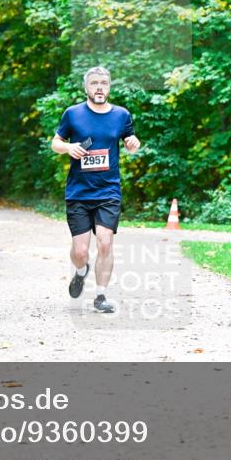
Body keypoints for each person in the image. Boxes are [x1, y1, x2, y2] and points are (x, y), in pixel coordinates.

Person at [51, 66, 140, 313]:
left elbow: (130, 140)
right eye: (94, 84)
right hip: (79, 193)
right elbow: (55, 142)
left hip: (108, 192)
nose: (99, 88)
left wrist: (133, 143)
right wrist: (69, 148)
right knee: (80, 251)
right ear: (86, 87)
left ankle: (100, 296)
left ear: (109, 87)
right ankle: (81, 271)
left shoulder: (121, 115)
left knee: (104, 243)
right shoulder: (73, 114)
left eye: (104, 83)